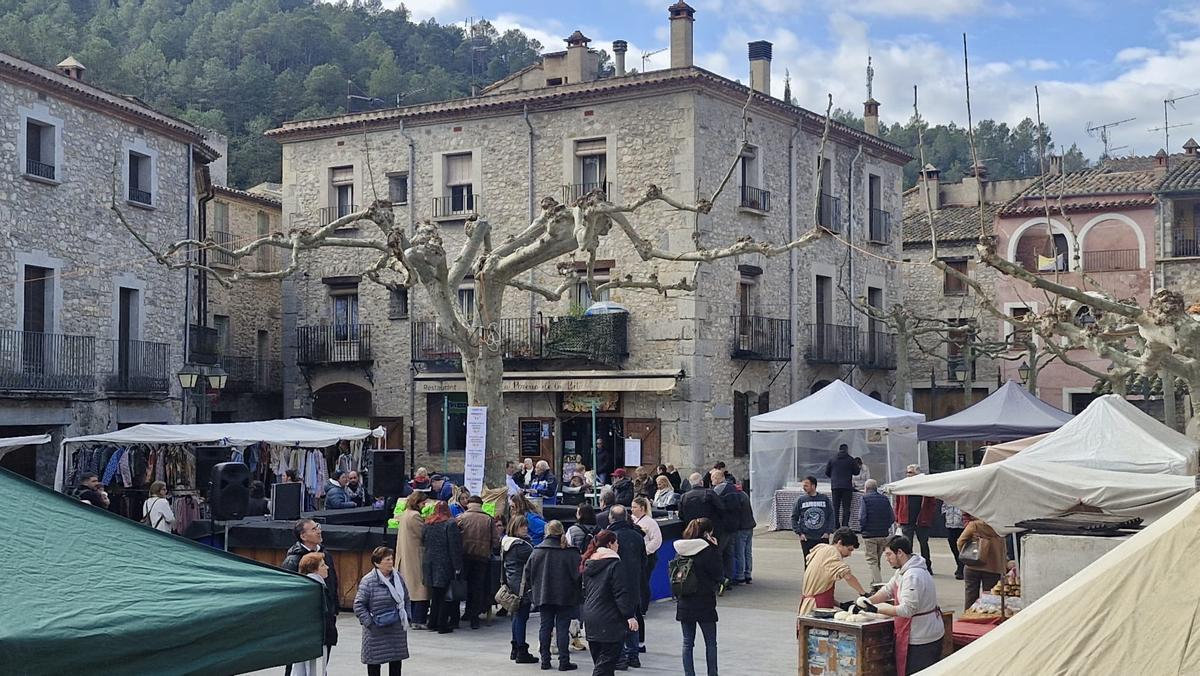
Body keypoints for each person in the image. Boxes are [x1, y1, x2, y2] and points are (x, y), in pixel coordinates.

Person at [857, 535, 944, 676]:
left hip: (923, 635)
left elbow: (907, 610)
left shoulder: (913, 575)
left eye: (889, 554)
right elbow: (887, 591)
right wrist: (868, 601)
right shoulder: (902, 570)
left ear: (900, 553)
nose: (887, 559)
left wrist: (876, 609)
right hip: (917, 631)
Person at [581, 530, 639, 676]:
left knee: (601, 662)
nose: (618, 545)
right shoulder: (614, 565)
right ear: (610, 544)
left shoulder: (588, 563)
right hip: (609, 618)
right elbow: (620, 592)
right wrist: (629, 615)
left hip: (591, 616)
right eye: (616, 542)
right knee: (606, 664)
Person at [527, 520, 582, 671]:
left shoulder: (537, 551)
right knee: (562, 628)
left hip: (544, 594)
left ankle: (545, 660)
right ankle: (564, 661)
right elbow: (579, 576)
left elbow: (528, 573)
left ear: (547, 532)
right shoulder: (571, 552)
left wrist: (533, 591)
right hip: (566, 595)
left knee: (545, 627)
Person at [673, 517, 723, 676]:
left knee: (687, 643)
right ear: (707, 533)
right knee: (711, 643)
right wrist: (716, 548)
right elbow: (718, 573)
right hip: (704, 601)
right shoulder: (707, 551)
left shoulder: (680, 550)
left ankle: (689, 673)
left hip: (685, 601)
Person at [354, 546, 411, 676]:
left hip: (396, 628)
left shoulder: (398, 578)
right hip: (376, 629)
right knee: (374, 663)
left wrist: (407, 616)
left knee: (396, 662)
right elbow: (359, 605)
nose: (391, 562)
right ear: (377, 563)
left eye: (391, 559)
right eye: (387, 559)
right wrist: (369, 623)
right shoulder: (368, 581)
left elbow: (406, 598)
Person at [606, 504, 646, 669]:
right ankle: (633, 656)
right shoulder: (637, 536)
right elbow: (644, 561)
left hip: (615, 583)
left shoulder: (609, 537)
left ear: (611, 518)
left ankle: (621, 657)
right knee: (632, 618)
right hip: (633, 583)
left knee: (616, 619)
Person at [798, 528, 870, 615]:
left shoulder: (822, 549)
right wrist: (863, 593)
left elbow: (819, 592)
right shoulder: (833, 553)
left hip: (808, 605)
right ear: (839, 543)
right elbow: (847, 576)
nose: (849, 554)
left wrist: (840, 605)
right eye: (849, 549)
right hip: (817, 609)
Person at [283, 519, 341, 625]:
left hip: (328, 613)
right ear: (303, 536)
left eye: (318, 527)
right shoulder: (293, 560)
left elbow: (332, 581)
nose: (319, 531)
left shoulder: (325, 554)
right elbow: (289, 590)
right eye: (314, 529)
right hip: (307, 616)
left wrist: (334, 607)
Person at [457, 495, 500, 629]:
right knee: (478, 587)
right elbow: (495, 541)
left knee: (465, 585)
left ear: (469, 504)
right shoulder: (488, 519)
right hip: (482, 558)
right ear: (481, 505)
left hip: (465, 556)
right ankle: (474, 618)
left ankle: (466, 612)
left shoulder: (461, 518)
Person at [292, 552, 338, 676]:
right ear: (313, 569)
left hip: (311, 637)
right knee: (314, 670)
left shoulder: (315, 585)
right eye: (323, 565)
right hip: (315, 639)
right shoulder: (315, 588)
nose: (327, 567)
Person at [422, 501, 464, 634]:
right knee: (446, 596)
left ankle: (432, 622)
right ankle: (442, 624)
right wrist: (458, 566)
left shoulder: (428, 524)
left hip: (430, 563)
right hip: (445, 564)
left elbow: (423, 541)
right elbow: (454, 547)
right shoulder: (450, 524)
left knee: (435, 595)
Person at [502, 514, 539, 664]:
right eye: (522, 526)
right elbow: (536, 558)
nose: (525, 528)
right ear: (514, 527)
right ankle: (521, 651)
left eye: (526, 525)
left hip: (512, 584)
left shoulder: (507, 543)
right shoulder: (522, 546)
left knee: (516, 617)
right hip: (522, 586)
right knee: (521, 618)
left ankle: (515, 648)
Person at [395, 491, 430, 629]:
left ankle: (412, 618)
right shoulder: (415, 516)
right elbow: (423, 534)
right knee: (419, 589)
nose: (424, 506)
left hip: (406, 554)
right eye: (423, 503)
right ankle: (418, 620)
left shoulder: (405, 514)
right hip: (415, 556)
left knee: (411, 588)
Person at [631, 497, 661, 653]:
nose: (632, 510)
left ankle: (643, 607)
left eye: (635, 507)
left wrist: (646, 551)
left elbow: (657, 540)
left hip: (647, 557)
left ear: (642, 508)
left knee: (643, 581)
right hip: (636, 556)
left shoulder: (650, 523)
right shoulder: (633, 520)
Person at [958, 514, 1006, 610]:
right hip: (993, 567)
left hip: (973, 565)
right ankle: (985, 616)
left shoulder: (975, 525)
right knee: (989, 599)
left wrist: (967, 554)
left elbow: (960, 541)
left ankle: (968, 616)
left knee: (970, 596)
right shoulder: (1001, 528)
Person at [895, 465, 936, 573]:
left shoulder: (924, 487)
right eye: (907, 472)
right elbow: (898, 503)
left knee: (924, 544)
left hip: (921, 520)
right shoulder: (903, 485)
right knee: (907, 545)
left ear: (917, 474)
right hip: (906, 520)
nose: (908, 474)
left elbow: (932, 503)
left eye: (910, 472)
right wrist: (897, 518)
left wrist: (928, 516)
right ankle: (908, 566)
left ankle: (927, 566)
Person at [857, 479, 896, 586]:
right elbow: (892, 517)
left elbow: (862, 517)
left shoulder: (864, 499)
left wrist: (863, 528)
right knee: (877, 560)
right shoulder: (884, 499)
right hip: (883, 534)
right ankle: (874, 582)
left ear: (866, 488)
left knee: (872, 560)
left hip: (869, 534)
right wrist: (886, 527)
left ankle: (877, 583)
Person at [791, 476, 833, 562]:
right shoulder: (801, 500)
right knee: (808, 562)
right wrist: (799, 533)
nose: (804, 488)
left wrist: (828, 532)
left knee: (822, 562)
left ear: (813, 486)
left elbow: (831, 516)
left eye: (806, 485)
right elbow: (794, 517)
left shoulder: (824, 499)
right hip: (807, 538)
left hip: (822, 537)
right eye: (803, 485)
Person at [710, 469, 740, 584]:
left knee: (719, 552)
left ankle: (720, 578)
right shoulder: (732, 488)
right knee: (729, 553)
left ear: (717, 479)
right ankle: (729, 577)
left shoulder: (718, 490)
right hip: (733, 524)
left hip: (723, 526)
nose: (711, 481)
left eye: (712, 479)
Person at [824, 444, 861, 529]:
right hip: (847, 486)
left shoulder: (832, 459)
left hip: (835, 486)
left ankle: (835, 525)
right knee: (846, 508)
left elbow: (827, 472)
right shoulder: (851, 459)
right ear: (847, 450)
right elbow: (856, 472)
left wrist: (833, 477)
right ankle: (845, 526)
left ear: (839, 449)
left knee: (835, 507)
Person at [731, 481, 756, 585]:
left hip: (741, 527)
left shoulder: (736, 496)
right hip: (749, 525)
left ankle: (740, 576)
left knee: (739, 552)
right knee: (748, 552)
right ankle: (748, 574)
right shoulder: (744, 494)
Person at [942, 501, 965, 580]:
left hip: (962, 524)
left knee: (962, 546)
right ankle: (959, 564)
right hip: (950, 523)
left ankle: (961, 569)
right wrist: (945, 512)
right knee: (952, 543)